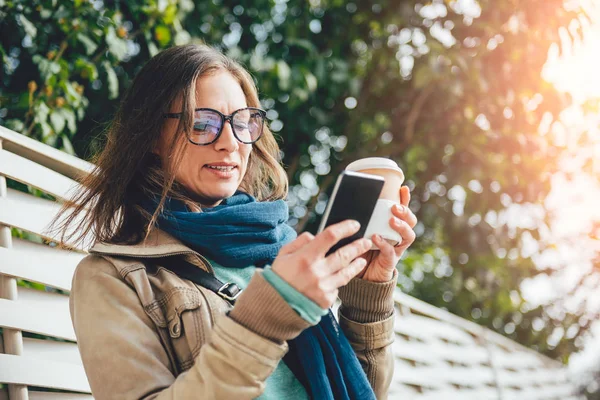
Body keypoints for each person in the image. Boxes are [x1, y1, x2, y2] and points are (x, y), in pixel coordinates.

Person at [57, 44, 417, 400]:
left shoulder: (277, 246)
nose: (230, 143)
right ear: (152, 136)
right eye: (202, 123)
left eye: (242, 122)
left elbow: (356, 390)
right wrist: (265, 317)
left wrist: (369, 293)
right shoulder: (112, 277)